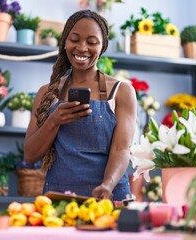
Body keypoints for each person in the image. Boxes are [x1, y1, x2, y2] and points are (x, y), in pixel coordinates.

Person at [24, 9, 137, 201]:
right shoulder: (47, 93)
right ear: (65, 43)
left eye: (92, 42)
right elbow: (30, 155)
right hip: (60, 198)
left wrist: (107, 185)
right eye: (74, 39)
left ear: (102, 47)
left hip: (109, 196)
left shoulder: (121, 92)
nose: (82, 48)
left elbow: (121, 149)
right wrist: (54, 120)